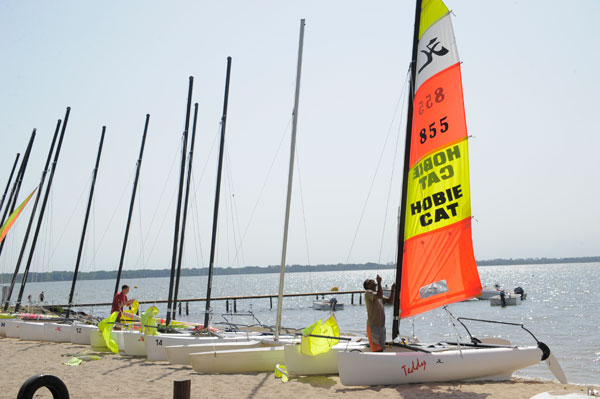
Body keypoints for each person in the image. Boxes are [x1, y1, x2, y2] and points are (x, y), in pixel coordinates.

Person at [363, 274, 395, 352]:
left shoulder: (378, 295)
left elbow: (390, 301)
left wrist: (393, 289)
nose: (372, 280)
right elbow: (379, 295)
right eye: (369, 281)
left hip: (381, 326)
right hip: (373, 327)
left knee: (381, 348)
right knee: (377, 350)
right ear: (368, 286)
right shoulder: (368, 292)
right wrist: (379, 282)